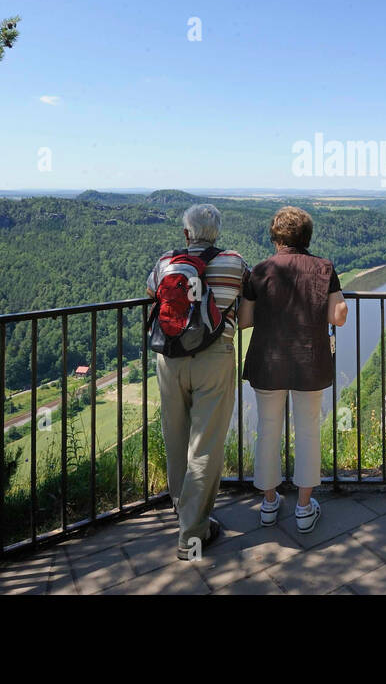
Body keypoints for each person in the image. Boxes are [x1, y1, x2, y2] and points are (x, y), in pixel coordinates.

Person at [146, 204, 248, 560]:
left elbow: (152, 294)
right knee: (205, 443)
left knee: (175, 436)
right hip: (216, 357)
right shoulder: (235, 262)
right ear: (216, 233)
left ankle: (182, 509)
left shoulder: (165, 262)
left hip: (170, 358)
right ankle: (192, 534)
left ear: (186, 233)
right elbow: (247, 307)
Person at [237, 206, 348, 533]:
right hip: (308, 361)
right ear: (306, 237)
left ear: (275, 237)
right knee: (308, 430)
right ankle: (303, 508)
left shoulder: (259, 270)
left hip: (268, 361)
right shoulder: (324, 268)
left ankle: (269, 504)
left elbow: (244, 320)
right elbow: (339, 315)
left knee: (268, 429)